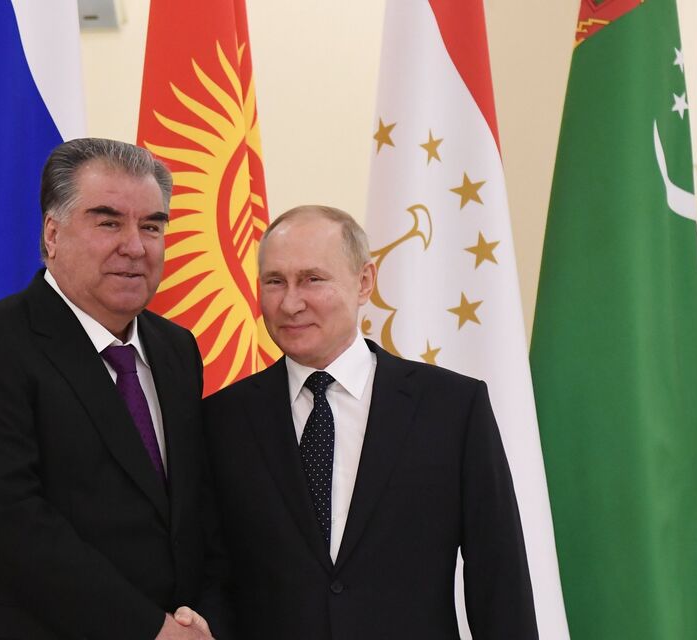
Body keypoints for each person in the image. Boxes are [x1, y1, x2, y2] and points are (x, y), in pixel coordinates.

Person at [0, 138, 226, 639]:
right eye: (109, 223)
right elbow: (11, 524)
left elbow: (194, 516)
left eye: (152, 226)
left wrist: (203, 620)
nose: (135, 246)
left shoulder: (177, 349)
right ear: (52, 234)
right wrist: (151, 630)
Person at [204, 205, 538, 639]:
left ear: (364, 282)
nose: (290, 303)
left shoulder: (452, 408)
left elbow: (499, 578)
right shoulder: (222, 420)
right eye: (274, 282)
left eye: (312, 279)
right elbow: (212, 573)